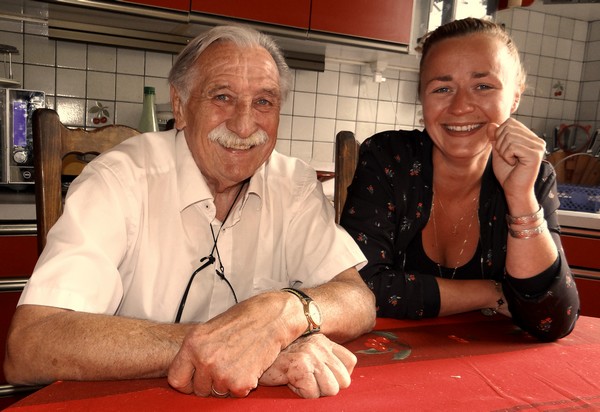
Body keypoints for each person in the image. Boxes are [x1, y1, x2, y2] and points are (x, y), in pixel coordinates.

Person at [4, 25, 376, 399]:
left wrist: (285, 314)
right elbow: (31, 343)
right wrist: (234, 346)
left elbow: (358, 300)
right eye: (223, 96)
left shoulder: (293, 183)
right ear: (180, 107)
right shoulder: (120, 178)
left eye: (264, 102)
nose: (245, 125)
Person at [340, 17, 579, 342]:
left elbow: (551, 320)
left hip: (489, 368)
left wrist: (520, 197)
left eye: (483, 86)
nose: (461, 106)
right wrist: (490, 293)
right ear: (423, 99)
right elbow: (360, 288)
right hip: (388, 356)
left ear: (514, 97)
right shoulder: (389, 158)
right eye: (443, 88)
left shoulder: (534, 176)